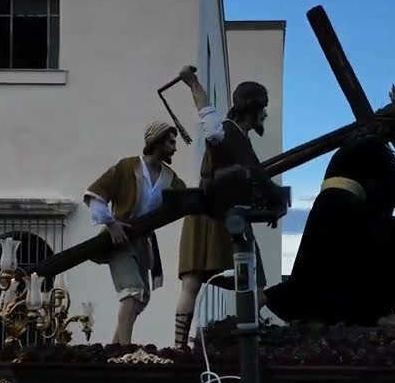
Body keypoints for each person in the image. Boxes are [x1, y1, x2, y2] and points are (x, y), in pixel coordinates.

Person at [265, 80, 395, 326]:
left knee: (323, 271)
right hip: (345, 211)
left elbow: (380, 188)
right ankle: (379, 310)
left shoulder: (357, 143)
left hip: (332, 210)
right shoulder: (374, 147)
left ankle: (368, 312)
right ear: (393, 127)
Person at [173, 65, 269, 349]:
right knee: (195, 282)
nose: (266, 113)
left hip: (224, 213)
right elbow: (209, 120)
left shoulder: (242, 141)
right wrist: (194, 84)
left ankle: (230, 336)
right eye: (263, 107)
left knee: (253, 286)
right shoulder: (225, 132)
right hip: (215, 214)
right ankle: (183, 347)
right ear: (252, 108)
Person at [83, 122, 189, 344]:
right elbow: (96, 194)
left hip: (143, 241)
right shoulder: (127, 167)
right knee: (132, 290)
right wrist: (111, 224)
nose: (174, 148)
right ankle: (124, 350)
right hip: (119, 240)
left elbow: (187, 199)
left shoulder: (170, 178)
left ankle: (114, 346)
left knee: (142, 297)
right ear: (156, 142)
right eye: (170, 142)